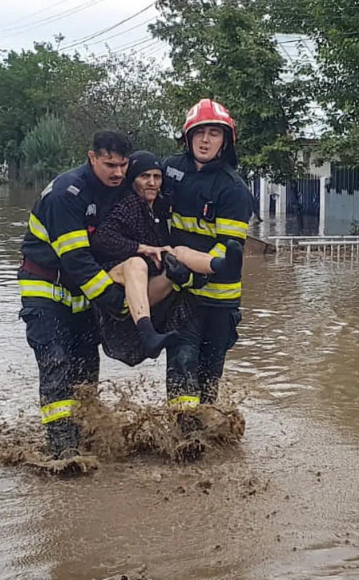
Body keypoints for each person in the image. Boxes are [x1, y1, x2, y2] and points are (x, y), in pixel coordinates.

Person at [18, 130, 133, 461]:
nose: (117, 172)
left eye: (123, 165)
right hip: (46, 289)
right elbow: (76, 260)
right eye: (110, 164)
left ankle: (85, 435)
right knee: (56, 362)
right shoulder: (66, 194)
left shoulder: (119, 190)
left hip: (82, 294)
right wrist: (114, 301)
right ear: (91, 157)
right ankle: (62, 450)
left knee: (86, 366)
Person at [90, 150, 243, 363]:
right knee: (137, 264)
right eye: (145, 177)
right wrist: (140, 248)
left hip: (148, 287)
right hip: (119, 286)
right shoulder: (128, 205)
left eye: (157, 177)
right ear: (132, 180)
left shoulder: (161, 209)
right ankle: (148, 334)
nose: (152, 182)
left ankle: (221, 265)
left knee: (178, 252)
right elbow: (102, 239)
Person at [161, 98, 253, 449]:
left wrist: (191, 266)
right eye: (199, 132)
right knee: (181, 366)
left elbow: (227, 252)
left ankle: (207, 433)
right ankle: (184, 443)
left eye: (213, 133)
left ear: (224, 140)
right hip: (181, 296)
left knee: (208, 377)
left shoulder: (233, 189)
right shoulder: (169, 171)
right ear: (187, 137)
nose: (205, 140)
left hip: (219, 302)